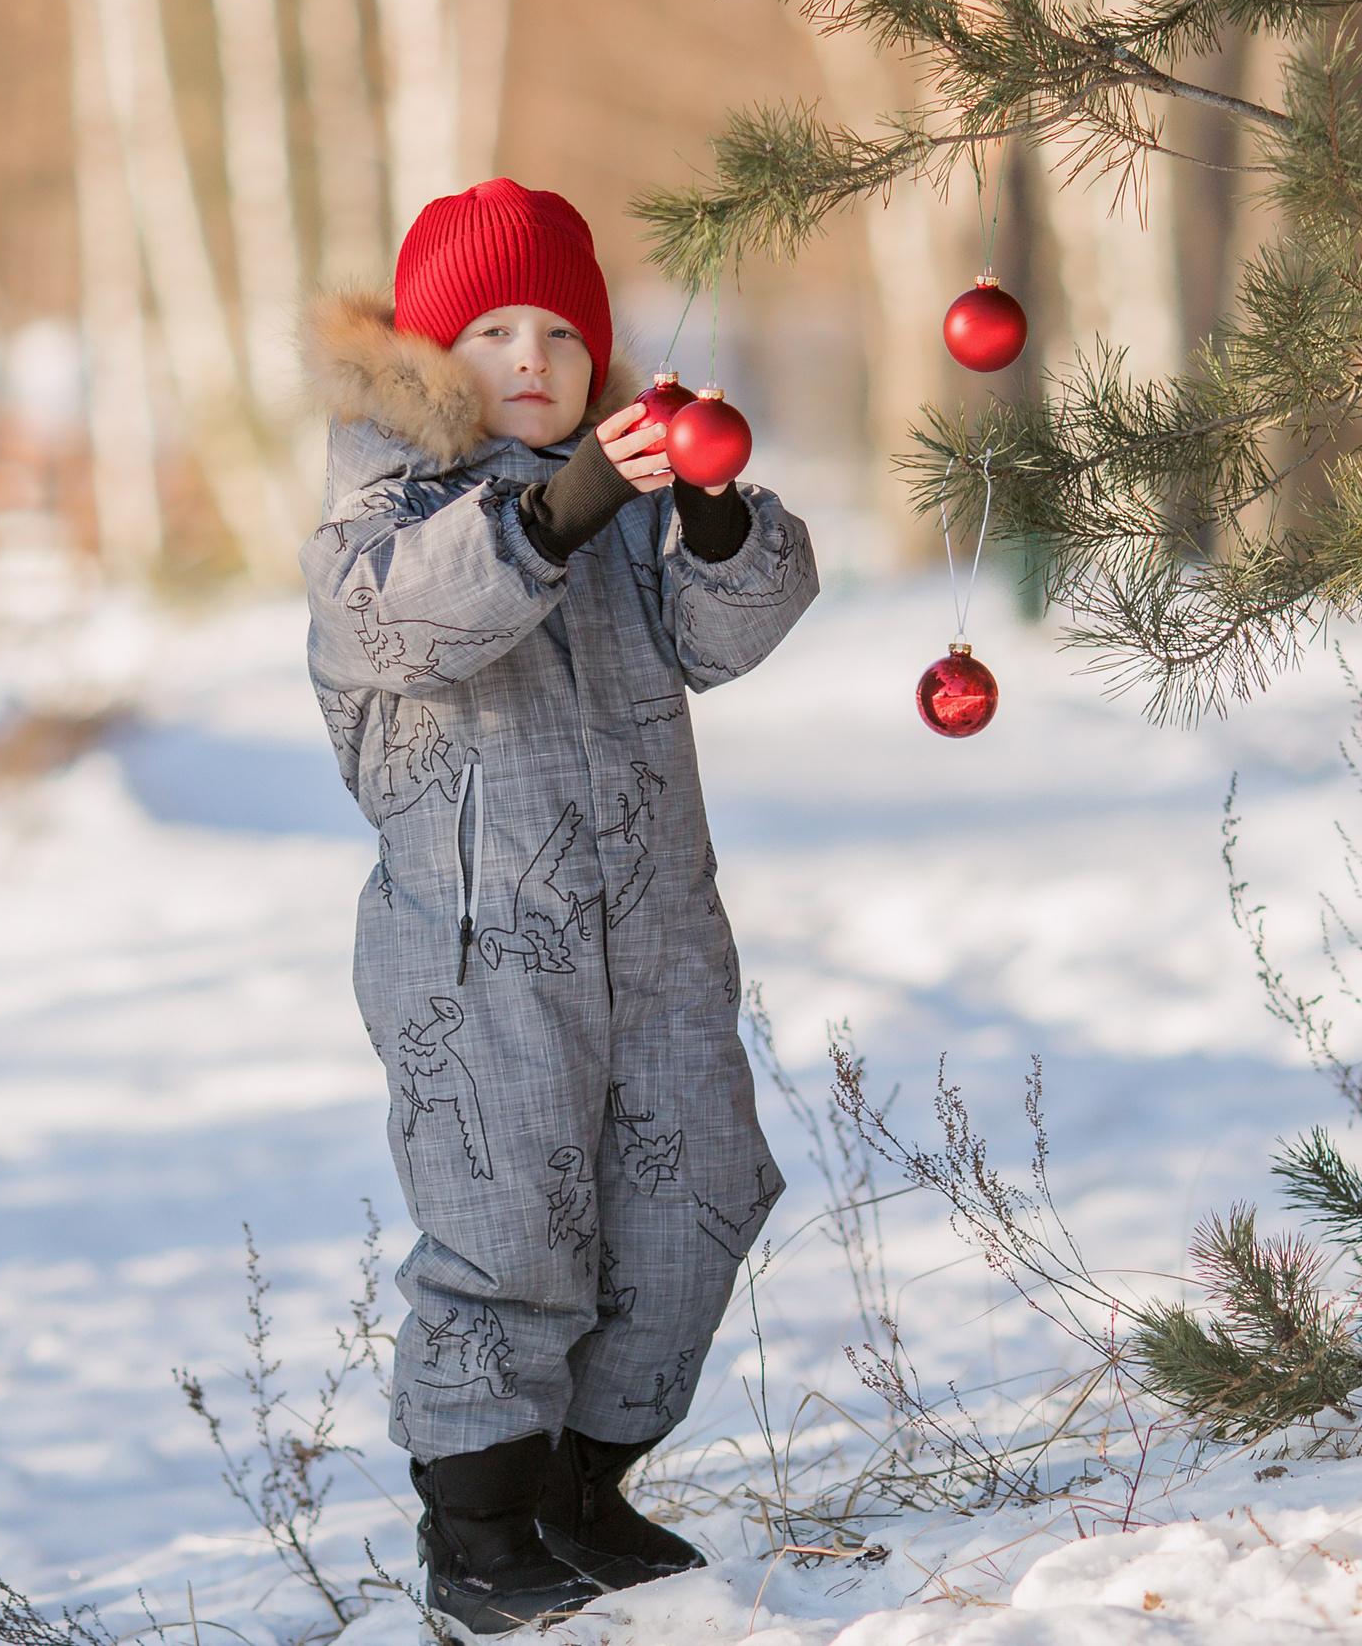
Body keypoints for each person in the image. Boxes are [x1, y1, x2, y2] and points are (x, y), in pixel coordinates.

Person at [299, 178, 819, 1639]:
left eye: (561, 331)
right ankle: (478, 1526)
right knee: (508, 1221)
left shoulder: (631, 523)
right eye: (491, 329)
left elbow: (734, 632)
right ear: (425, 355)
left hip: (654, 933)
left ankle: (587, 1482)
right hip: (476, 956)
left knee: (694, 1191)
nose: (531, 357)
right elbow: (414, 620)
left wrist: (710, 510)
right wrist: (572, 499)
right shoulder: (378, 520)